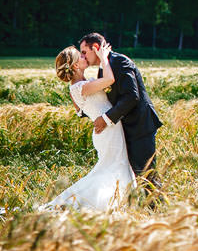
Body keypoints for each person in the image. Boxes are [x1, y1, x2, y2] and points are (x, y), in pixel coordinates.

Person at [38, 44, 134, 211]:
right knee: (112, 168)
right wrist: (104, 57)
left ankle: (117, 201)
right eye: (81, 56)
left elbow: (80, 111)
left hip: (108, 129)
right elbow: (110, 80)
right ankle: (103, 203)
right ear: (75, 65)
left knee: (115, 166)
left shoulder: (82, 85)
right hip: (108, 131)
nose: (85, 57)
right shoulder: (80, 87)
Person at [78, 32, 162, 193]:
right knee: (135, 176)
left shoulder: (119, 61)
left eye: (84, 52)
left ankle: (158, 212)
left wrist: (106, 118)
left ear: (95, 47)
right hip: (125, 128)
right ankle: (145, 211)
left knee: (147, 175)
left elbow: (132, 96)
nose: (83, 56)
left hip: (140, 126)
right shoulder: (105, 67)